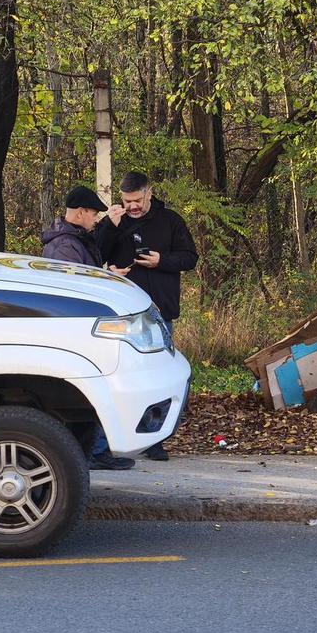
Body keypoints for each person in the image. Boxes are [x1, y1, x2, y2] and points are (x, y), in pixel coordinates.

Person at [97, 171, 198, 461]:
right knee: (121, 377)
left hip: (160, 312)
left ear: (149, 193)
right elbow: (95, 256)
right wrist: (111, 228)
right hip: (120, 315)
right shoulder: (116, 221)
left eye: (137, 200)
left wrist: (161, 261)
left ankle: (154, 440)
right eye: (127, 201)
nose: (133, 207)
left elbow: (190, 257)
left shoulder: (171, 221)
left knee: (158, 377)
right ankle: (112, 444)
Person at [41, 186, 136, 471]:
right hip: (75, 330)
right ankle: (92, 453)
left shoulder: (73, 240)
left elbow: (82, 275)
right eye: (94, 214)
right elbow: (73, 288)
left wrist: (105, 273)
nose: (96, 219)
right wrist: (106, 276)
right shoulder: (64, 246)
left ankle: (93, 451)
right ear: (80, 212)